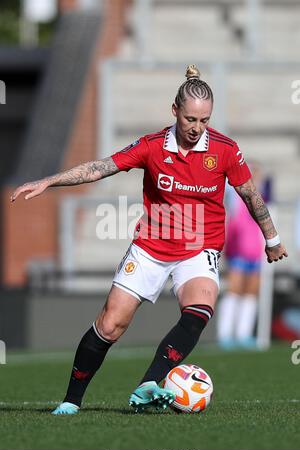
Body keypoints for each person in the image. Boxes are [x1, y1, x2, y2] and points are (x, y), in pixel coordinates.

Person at [11, 65, 288, 415]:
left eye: (204, 121)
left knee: (200, 308)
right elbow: (101, 167)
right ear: (175, 111)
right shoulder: (152, 146)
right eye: (190, 119)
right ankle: (71, 400)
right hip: (151, 247)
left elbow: (250, 194)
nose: (197, 128)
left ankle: (150, 381)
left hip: (200, 248)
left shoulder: (226, 150)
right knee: (111, 324)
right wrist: (49, 181)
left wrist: (272, 238)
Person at [216, 162, 268, 349]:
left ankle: (243, 334)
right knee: (234, 290)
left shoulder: (261, 198)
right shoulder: (235, 197)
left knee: (251, 293)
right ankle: (225, 335)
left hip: (255, 253)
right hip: (237, 251)